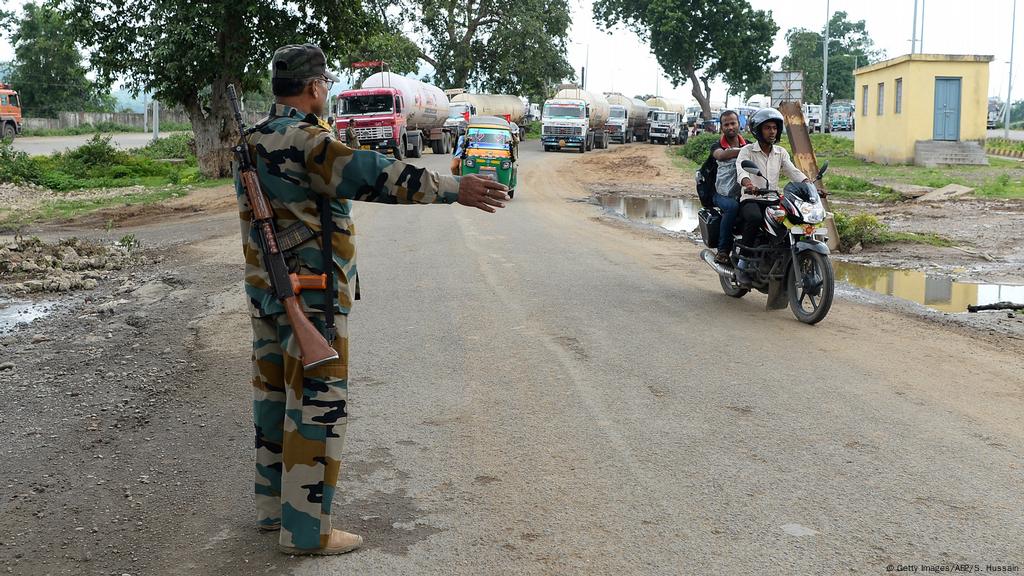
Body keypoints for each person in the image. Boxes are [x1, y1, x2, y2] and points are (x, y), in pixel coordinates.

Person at [237, 43, 509, 556]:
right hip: (312, 297)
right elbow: (372, 174)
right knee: (317, 407)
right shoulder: (308, 141)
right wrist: (453, 188)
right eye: (324, 84)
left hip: (268, 294)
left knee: (274, 401)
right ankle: (307, 532)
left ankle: (274, 510)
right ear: (315, 87)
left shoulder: (253, 140)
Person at [734, 107, 810, 283]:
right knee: (754, 218)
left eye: (774, 128)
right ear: (758, 130)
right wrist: (749, 184)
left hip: (772, 199)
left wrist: (809, 185)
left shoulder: (780, 152)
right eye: (767, 127)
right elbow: (741, 171)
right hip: (751, 199)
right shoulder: (747, 151)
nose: (772, 131)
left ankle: (782, 256)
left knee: (792, 219)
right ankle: (742, 265)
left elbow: (793, 171)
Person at [710, 109, 746, 265]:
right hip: (721, 193)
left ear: (739, 124)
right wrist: (745, 151)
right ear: (722, 127)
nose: (730, 127)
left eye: (733, 123)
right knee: (731, 207)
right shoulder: (717, 145)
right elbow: (721, 155)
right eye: (726, 124)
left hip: (745, 192)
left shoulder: (748, 144)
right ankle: (723, 250)